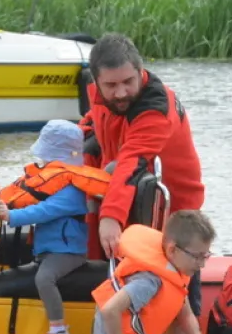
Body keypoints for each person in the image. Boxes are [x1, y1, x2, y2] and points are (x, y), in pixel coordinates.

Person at [79, 33, 206, 314]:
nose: (121, 92)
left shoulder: (156, 108)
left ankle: (193, 331)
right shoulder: (101, 97)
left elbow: (133, 160)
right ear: (97, 82)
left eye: (128, 82)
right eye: (111, 85)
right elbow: (94, 121)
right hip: (128, 197)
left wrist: (110, 217)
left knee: (179, 285)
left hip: (174, 208)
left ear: (141, 71)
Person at [0, 120, 98, 334]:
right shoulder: (53, 181)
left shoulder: (71, 190)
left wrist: (10, 215)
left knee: (44, 278)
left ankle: (59, 333)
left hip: (68, 252)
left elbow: (45, 211)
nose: (42, 163)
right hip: (49, 250)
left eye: (46, 158)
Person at [91, 210, 227, 334]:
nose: (202, 265)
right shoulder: (149, 282)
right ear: (172, 250)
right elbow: (110, 310)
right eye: (197, 257)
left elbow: (186, 315)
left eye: (205, 256)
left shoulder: (175, 271)